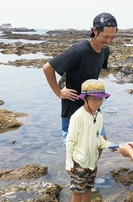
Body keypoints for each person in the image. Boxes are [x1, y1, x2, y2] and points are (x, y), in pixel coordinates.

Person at [42, 12, 118, 144]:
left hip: (92, 105)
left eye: (112, 37)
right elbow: (47, 68)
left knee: (100, 142)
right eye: (106, 36)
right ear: (94, 30)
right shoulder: (79, 50)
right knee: (76, 149)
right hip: (73, 107)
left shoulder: (105, 50)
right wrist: (58, 92)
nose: (108, 41)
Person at [66, 79, 112, 202]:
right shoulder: (78, 117)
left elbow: (98, 139)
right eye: (94, 99)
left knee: (88, 188)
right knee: (77, 192)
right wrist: (69, 162)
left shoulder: (99, 116)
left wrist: (109, 145)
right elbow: (70, 141)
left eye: (101, 99)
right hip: (79, 162)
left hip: (92, 161)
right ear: (84, 98)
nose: (98, 103)